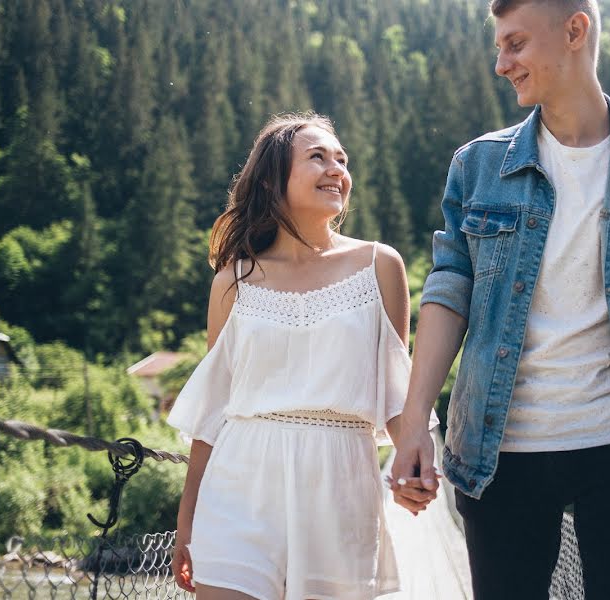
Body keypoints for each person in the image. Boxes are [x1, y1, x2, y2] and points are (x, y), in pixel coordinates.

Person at [390, 1, 610, 598]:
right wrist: (416, 421)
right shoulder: (478, 165)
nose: (501, 64)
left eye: (515, 44)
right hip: (499, 448)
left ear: (575, 30)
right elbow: (447, 294)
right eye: (498, 47)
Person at [166, 112, 435, 600]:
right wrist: (186, 523)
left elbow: (397, 393)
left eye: (342, 159)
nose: (337, 169)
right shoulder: (234, 280)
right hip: (239, 484)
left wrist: (411, 462)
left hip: (340, 490)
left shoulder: (381, 265)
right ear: (272, 180)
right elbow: (213, 413)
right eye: (318, 157)